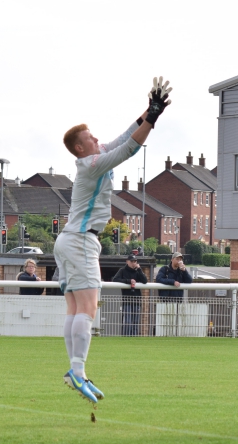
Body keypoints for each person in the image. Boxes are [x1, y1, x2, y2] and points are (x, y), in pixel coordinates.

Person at [54, 76, 171, 404]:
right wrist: (153, 118)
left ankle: (75, 370)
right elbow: (130, 148)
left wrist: (149, 112)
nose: (96, 137)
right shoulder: (91, 163)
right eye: (90, 136)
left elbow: (123, 136)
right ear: (81, 147)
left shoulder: (95, 154)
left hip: (69, 240)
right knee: (88, 307)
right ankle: (77, 371)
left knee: (75, 306)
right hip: (79, 241)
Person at [112, 254, 148, 336]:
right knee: (128, 322)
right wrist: (128, 281)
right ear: (127, 262)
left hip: (137, 300)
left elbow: (145, 280)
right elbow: (115, 279)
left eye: (135, 261)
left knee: (135, 322)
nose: (133, 263)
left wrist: (139, 269)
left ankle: (134, 338)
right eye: (132, 261)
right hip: (127, 300)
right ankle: (126, 338)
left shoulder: (138, 271)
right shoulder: (122, 270)